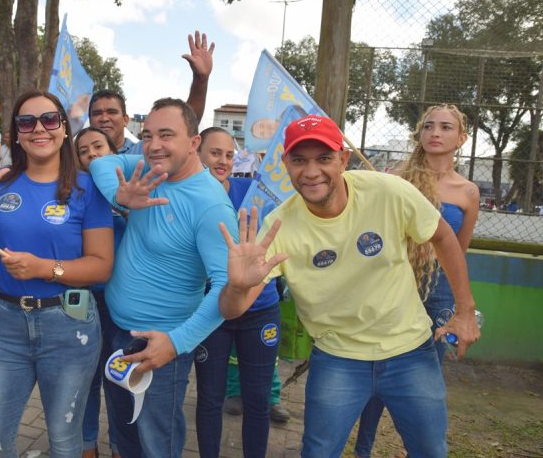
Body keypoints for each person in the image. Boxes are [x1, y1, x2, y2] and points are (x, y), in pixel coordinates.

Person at [217, 114, 481, 457]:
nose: (311, 172)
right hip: (337, 357)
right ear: (285, 164)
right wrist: (238, 287)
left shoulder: (388, 192)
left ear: (343, 159)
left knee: (431, 449)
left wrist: (465, 310)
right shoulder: (278, 226)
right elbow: (233, 308)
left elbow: (444, 236)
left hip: (410, 351)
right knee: (318, 451)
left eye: (323, 158)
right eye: (299, 160)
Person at [0, 91, 114, 457]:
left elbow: (101, 265)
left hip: (69, 325)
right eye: (27, 122)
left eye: (49, 119)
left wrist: (43, 268)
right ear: (17, 134)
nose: (39, 128)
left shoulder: (88, 189)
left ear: (64, 128)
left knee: (63, 438)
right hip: (5, 326)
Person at [89, 98, 238, 458]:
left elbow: (226, 288)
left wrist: (175, 344)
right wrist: (120, 194)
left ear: (193, 143)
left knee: (158, 442)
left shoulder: (211, 205)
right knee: (124, 437)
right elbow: (102, 162)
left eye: (166, 135)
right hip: (119, 330)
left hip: (160, 344)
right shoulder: (149, 171)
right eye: (147, 135)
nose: (154, 145)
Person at [354, 103, 480, 457]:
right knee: (375, 377)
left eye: (445, 127)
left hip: (438, 295)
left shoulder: (468, 192)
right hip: (393, 288)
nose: (435, 133)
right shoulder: (397, 176)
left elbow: (459, 251)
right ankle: (361, 450)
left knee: (424, 383)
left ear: (461, 138)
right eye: (428, 126)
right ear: (419, 134)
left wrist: (460, 305)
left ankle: (419, 449)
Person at [193, 127, 282, 458]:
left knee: (258, 399)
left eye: (229, 155)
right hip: (212, 311)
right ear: (196, 153)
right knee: (210, 397)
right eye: (215, 153)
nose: (223, 161)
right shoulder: (186, 198)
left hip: (260, 308)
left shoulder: (251, 192)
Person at [74, 127, 125, 458]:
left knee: (119, 380)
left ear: (113, 151)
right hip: (83, 301)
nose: (92, 154)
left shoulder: (130, 190)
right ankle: (86, 445)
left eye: (98, 147)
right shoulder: (73, 193)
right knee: (87, 380)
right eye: (83, 151)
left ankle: (121, 445)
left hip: (123, 303)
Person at [88, 30, 214, 155]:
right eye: (97, 113)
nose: (104, 118)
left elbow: (186, 122)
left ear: (126, 119)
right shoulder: (74, 157)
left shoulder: (144, 151)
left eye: (112, 112)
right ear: (90, 120)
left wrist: (201, 79)